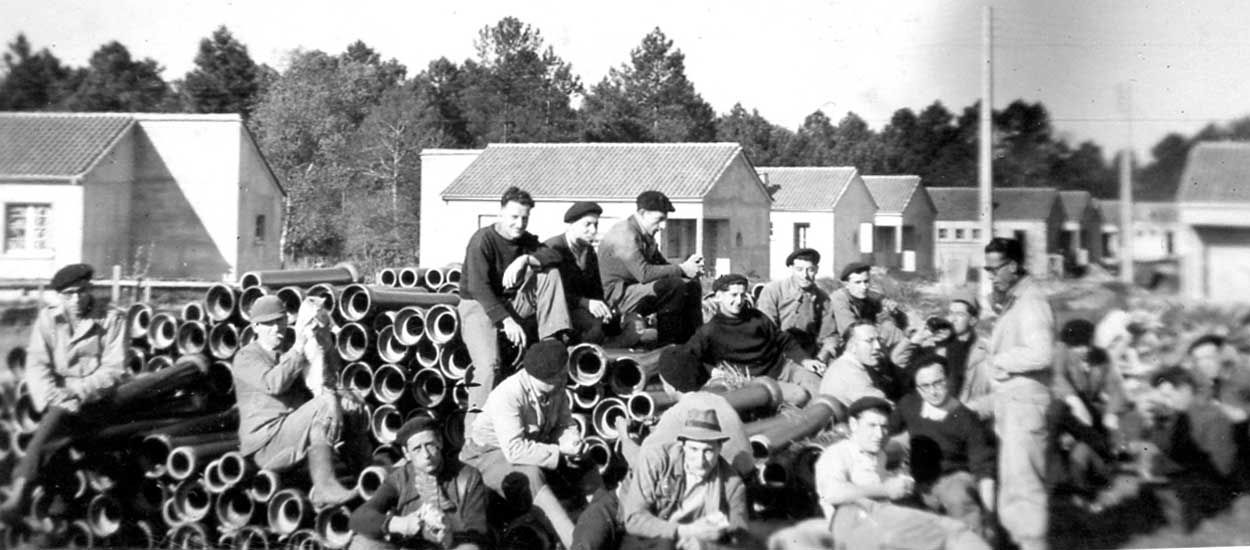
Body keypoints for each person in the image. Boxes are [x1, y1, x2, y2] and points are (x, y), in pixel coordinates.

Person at [571, 347, 753, 550]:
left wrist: (623, 434)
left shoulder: (676, 415)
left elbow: (640, 464)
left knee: (597, 515)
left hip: (672, 510)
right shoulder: (722, 404)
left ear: (667, 384)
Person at [0, 264, 127, 518]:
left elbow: (113, 370)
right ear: (59, 296)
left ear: (90, 289)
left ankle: (20, 493)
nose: (76, 299)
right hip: (57, 401)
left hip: (97, 400)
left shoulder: (112, 319)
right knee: (59, 429)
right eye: (69, 294)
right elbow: (36, 364)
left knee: (58, 420)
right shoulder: (48, 319)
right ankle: (55, 516)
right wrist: (51, 395)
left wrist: (76, 391)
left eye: (81, 292)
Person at [459, 340, 601, 548]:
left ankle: (603, 517)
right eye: (559, 376)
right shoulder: (508, 395)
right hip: (484, 457)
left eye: (563, 374)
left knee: (584, 461)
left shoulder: (555, 387)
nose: (564, 379)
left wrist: (574, 443)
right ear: (540, 377)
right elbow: (515, 451)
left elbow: (564, 424)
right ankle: (577, 544)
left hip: (531, 448)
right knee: (532, 476)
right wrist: (560, 450)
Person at [232, 295, 366, 508]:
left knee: (352, 400)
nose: (277, 328)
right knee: (324, 404)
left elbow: (326, 377)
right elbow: (274, 383)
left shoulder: (289, 350)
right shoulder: (246, 357)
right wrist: (299, 347)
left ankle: (366, 476)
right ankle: (324, 488)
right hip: (267, 446)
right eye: (269, 324)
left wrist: (323, 341)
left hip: (295, 434)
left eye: (281, 321)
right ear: (255, 327)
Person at [814, 396, 990, 550]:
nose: (879, 434)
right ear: (853, 424)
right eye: (872, 425)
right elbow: (833, 493)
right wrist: (886, 489)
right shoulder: (837, 454)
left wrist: (899, 484)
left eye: (883, 427)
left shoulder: (878, 454)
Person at [459, 186, 572, 423]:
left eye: (524, 218)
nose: (519, 224)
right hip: (478, 305)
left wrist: (526, 259)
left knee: (548, 274)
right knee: (488, 366)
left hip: (510, 302)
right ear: (500, 213)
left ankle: (551, 341)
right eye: (514, 217)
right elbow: (480, 288)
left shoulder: (525, 241)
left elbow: (554, 256)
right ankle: (473, 434)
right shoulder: (482, 240)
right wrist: (507, 321)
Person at [976, 237, 1054, 550]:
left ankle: (1034, 543)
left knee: (1025, 484)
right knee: (1012, 483)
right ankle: (1021, 541)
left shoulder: (1032, 301)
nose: (990, 275)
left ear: (1014, 266)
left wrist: (999, 362)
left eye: (995, 269)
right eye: (986, 269)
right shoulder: (1015, 299)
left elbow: (1042, 353)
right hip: (1012, 403)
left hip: (1025, 403)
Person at [887, 355, 996, 537]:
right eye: (925, 386)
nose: (933, 391)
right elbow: (888, 433)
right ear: (918, 388)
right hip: (916, 478)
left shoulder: (965, 418)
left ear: (948, 380)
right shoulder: (909, 405)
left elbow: (984, 471)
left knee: (957, 497)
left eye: (938, 383)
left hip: (952, 477)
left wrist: (989, 516)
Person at [348, 416, 489, 550]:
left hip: (452, 546)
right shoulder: (399, 478)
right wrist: (400, 524)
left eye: (430, 445)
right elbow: (358, 518)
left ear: (440, 441)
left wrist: (449, 533)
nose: (426, 455)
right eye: (417, 449)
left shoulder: (468, 476)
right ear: (406, 453)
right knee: (361, 544)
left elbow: (477, 533)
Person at [619, 408, 749, 550]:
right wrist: (686, 531)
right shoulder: (657, 460)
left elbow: (740, 536)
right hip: (638, 523)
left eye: (708, 451)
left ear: (719, 448)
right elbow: (634, 519)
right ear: (682, 445)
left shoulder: (732, 483)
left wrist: (706, 545)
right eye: (694, 449)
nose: (700, 461)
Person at [685, 274, 825, 402]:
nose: (739, 301)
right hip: (757, 380)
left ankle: (829, 423)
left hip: (782, 368)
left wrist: (805, 360)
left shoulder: (757, 317)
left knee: (816, 383)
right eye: (733, 295)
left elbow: (783, 340)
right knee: (799, 395)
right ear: (719, 296)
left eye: (742, 295)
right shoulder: (710, 330)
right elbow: (689, 356)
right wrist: (712, 371)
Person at [598, 190, 704, 345]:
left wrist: (689, 269)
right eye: (659, 219)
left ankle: (695, 344)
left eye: (665, 220)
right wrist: (682, 269)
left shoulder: (644, 235)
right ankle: (669, 348)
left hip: (633, 291)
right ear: (642, 213)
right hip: (616, 298)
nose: (663, 226)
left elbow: (663, 266)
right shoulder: (624, 234)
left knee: (691, 285)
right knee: (673, 287)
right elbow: (644, 274)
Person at [1141, 366, 1239, 530]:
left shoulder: (1211, 417)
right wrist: (1159, 425)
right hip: (1190, 475)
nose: (1165, 401)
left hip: (1212, 483)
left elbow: (1222, 465)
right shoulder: (1179, 413)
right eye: (1162, 396)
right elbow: (1162, 448)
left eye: (1168, 395)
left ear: (1186, 390)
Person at [1050, 320, 1127, 498]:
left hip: (1090, 415)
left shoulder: (1099, 357)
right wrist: (1073, 399)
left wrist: (1111, 414)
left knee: (1092, 439)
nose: (1081, 351)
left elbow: (1115, 389)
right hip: (1065, 413)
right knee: (1084, 438)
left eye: (1085, 346)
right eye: (1076, 347)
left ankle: (1098, 474)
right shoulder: (1060, 352)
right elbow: (1058, 377)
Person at [544, 201, 613, 345]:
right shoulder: (553, 248)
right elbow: (548, 293)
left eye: (596, 225)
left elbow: (596, 289)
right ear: (571, 225)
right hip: (557, 315)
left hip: (580, 310)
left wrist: (604, 308)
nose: (593, 230)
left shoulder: (588, 252)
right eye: (587, 224)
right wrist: (584, 302)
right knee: (594, 329)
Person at [755, 248, 838, 360]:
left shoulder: (822, 298)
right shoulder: (773, 291)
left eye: (810, 270)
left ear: (817, 270)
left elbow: (829, 336)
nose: (805, 275)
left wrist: (821, 359)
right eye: (799, 269)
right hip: (778, 353)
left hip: (810, 354)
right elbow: (767, 330)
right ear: (791, 269)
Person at [829, 262, 913, 370]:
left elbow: (879, 299)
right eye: (858, 282)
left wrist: (893, 310)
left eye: (866, 281)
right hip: (846, 346)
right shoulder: (840, 299)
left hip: (867, 343)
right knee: (888, 329)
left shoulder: (865, 296)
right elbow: (850, 331)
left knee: (890, 328)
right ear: (846, 284)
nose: (863, 287)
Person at [819, 321, 905, 406]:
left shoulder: (854, 365)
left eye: (878, 340)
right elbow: (883, 406)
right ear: (852, 346)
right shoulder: (848, 372)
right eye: (869, 341)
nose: (878, 346)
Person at [1186, 334, 1250, 423]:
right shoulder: (1210, 385)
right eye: (1198, 360)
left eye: (1208, 357)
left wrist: (1244, 413)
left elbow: (1239, 415)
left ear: (1223, 355)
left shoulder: (1244, 375)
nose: (1204, 364)